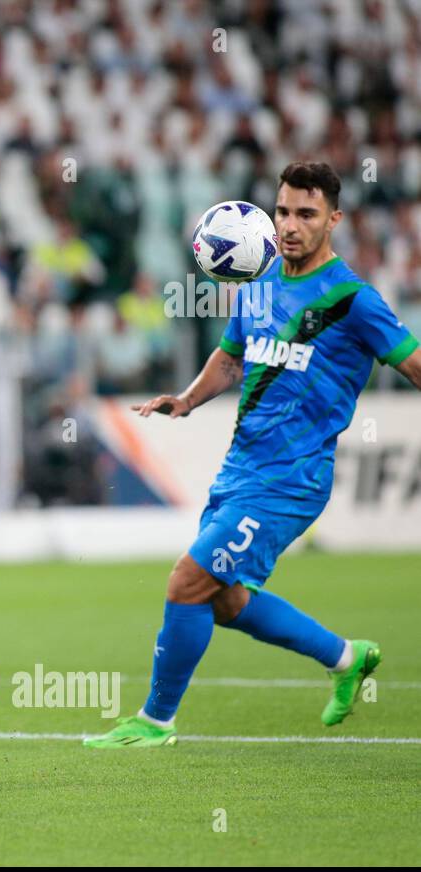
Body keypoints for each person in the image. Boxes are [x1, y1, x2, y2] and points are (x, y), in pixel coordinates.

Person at [86, 162, 421, 748]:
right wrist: (186, 401)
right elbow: (233, 357)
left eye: (306, 214)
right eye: (283, 211)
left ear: (334, 220)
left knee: (188, 581)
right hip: (239, 469)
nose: (290, 225)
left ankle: (155, 722)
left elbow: (414, 364)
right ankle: (346, 658)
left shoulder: (353, 300)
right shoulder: (257, 287)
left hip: (292, 480)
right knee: (223, 600)